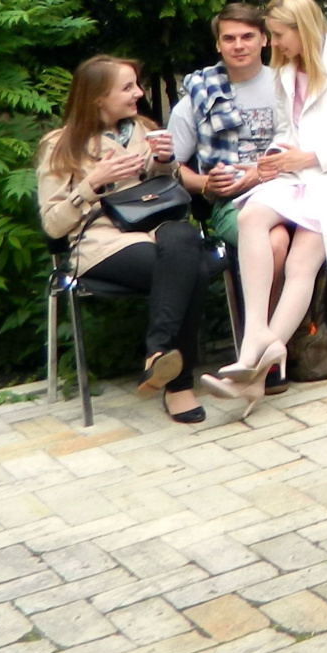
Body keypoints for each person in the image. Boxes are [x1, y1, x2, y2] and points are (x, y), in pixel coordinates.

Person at [203, 0, 327, 416]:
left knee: (302, 260)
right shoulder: (286, 72)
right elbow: (287, 132)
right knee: (252, 215)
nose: (272, 43)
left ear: (301, 29)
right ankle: (259, 339)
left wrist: (305, 158)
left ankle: (256, 365)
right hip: (300, 177)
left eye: (277, 34)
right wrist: (272, 159)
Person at [37, 56, 212, 425]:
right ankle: (178, 385)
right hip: (101, 242)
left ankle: (158, 351)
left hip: (156, 229)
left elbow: (168, 192)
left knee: (183, 236)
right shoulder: (61, 145)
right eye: (128, 87)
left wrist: (165, 161)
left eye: (137, 85)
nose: (139, 94)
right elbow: (53, 225)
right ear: (98, 97)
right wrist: (92, 184)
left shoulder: (145, 131)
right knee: (192, 270)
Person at [170, 3, 291, 391]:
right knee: (276, 242)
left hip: (290, 189)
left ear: (264, 40)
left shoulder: (286, 84)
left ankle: (266, 349)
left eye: (247, 36)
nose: (239, 45)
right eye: (229, 38)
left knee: (292, 239)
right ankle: (266, 351)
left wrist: (263, 171)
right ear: (218, 44)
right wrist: (205, 184)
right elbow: (172, 168)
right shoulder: (200, 94)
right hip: (231, 202)